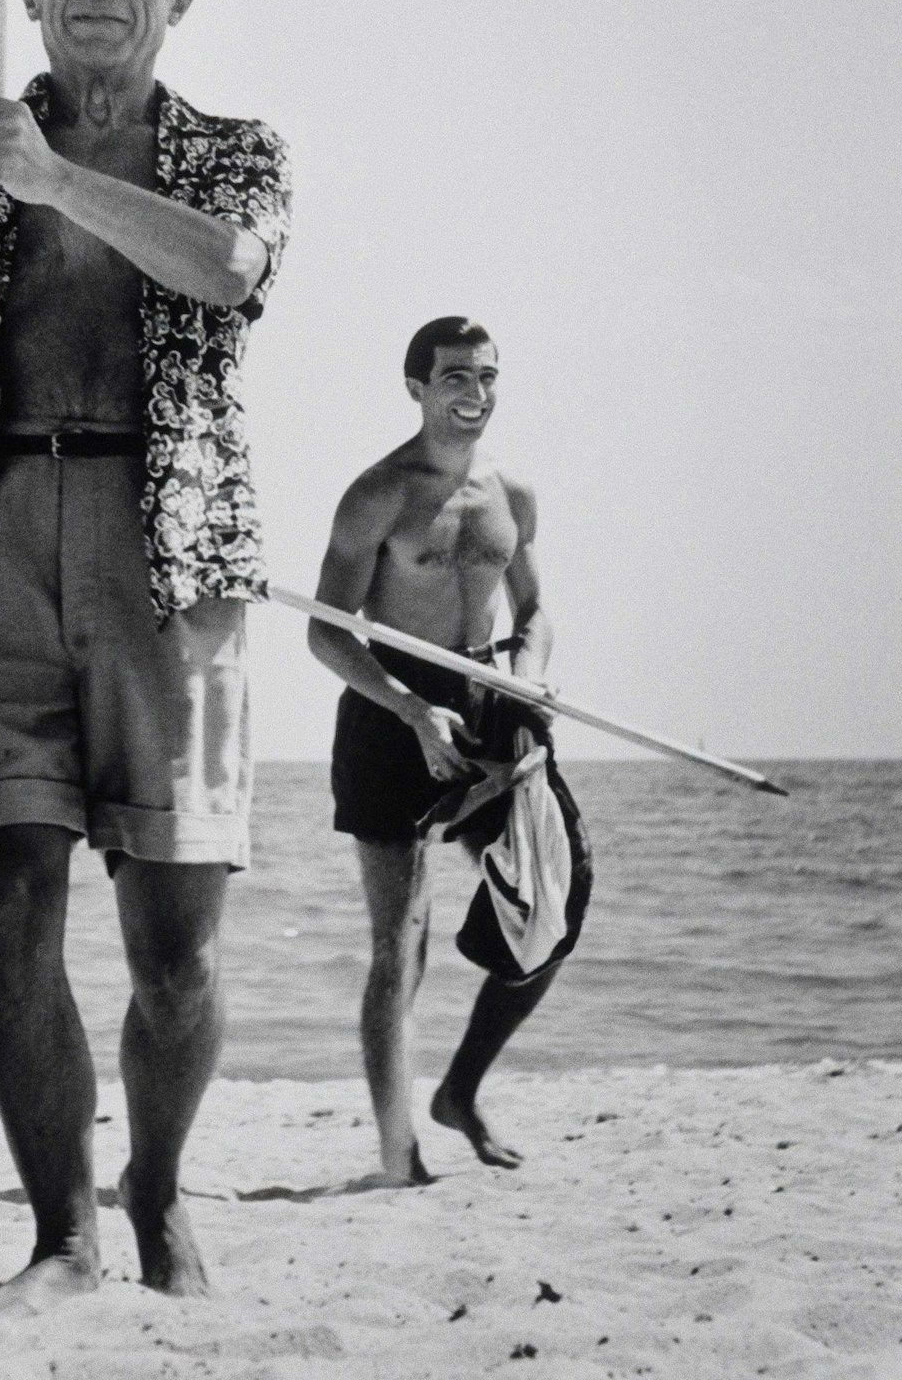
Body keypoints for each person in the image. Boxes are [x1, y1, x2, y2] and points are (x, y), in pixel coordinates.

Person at [0, 0, 292, 1307]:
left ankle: (160, 1190)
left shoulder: (234, 149)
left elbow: (232, 269)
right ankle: (59, 1233)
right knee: (10, 898)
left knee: (175, 943)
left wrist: (57, 181)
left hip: (167, 552)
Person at [307, 317, 590, 1188]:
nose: (475, 394)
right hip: (391, 706)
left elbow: (534, 611)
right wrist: (407, 708)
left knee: (556, 905)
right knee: (403, 942)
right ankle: (399, 1155)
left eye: (488, 376)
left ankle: (460, 1091)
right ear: (418, 388)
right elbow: (326, 634)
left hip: (490, 696)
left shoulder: (514, 493)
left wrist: (530, 676)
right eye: (456, 377)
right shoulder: (379, 494)